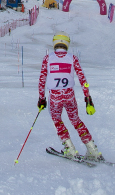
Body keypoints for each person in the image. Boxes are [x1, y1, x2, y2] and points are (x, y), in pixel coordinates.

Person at [37, 33, 104, 161]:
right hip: (69, 96)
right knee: (76, 120)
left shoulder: (48, 58)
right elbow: (82, 78)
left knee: (57, 119)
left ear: (54, 43)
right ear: (67, 44)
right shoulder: (72, 58)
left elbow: (42, 80)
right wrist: (87, 98)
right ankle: (92, 149)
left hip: (55, 97)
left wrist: (41, 98)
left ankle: (70, 149)